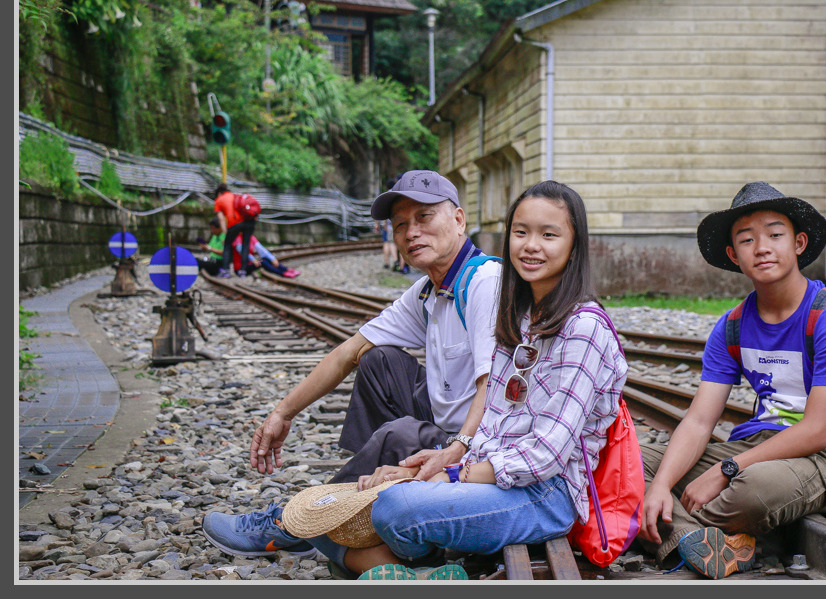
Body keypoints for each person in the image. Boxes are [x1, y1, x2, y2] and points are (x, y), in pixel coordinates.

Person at [201, 170, 501, 563]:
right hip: (452, 428)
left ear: (459, 220)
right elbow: (347, 352)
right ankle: (358, 513)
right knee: (378, 359)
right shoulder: (428, 290)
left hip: (481, 446)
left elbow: (492, 386)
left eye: (424, 218)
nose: (411, 233)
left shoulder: (484, 281)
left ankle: (298, 525)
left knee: (400, 432)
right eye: (400, 225)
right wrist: (282, 413)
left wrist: (456, 447)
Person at [335, 180, 627, 579]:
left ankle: (417, 558)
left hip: (544, 497)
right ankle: (424, 573)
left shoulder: (583, 328)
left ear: (574, 245)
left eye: (549, 234)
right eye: (520, 232)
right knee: (333, 512)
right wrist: (437, 463)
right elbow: (493, 418)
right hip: (496, 477)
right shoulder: (520, 317)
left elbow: (546, 456)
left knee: (392, 506)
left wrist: (452, 475)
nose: (530, 245)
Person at [637, 181, 826, 580]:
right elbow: (698, 421)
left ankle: (664, 528)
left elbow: (816, 430)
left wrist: (724, 469)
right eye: (747, 240)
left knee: (751, 491)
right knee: (624, 460)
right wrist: (661, 484)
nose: (762, 247)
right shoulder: (732, 326)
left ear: (798, 243)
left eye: (775, 234)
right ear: (733, 254)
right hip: (756, 446)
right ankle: (708, 542)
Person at [213, 183, 255, 278]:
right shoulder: (235, 195)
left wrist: (225, 233)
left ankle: (226, 270)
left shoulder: (219, 200)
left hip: (235, 223)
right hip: (249, 221)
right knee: (245, 245)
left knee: (227, 245)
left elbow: (221, 219)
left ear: (219, 193)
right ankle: (243, 271)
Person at [231, 234, 301, 278]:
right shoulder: (238, 239)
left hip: (249, 264)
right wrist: (253, 260)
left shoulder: (251, 237)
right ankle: (283, 273)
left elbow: (261, 249)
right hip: (241, 269)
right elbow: (242, 252)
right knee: (263, 262)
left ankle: (286, 270)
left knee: (266, 259)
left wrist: (272, 259)